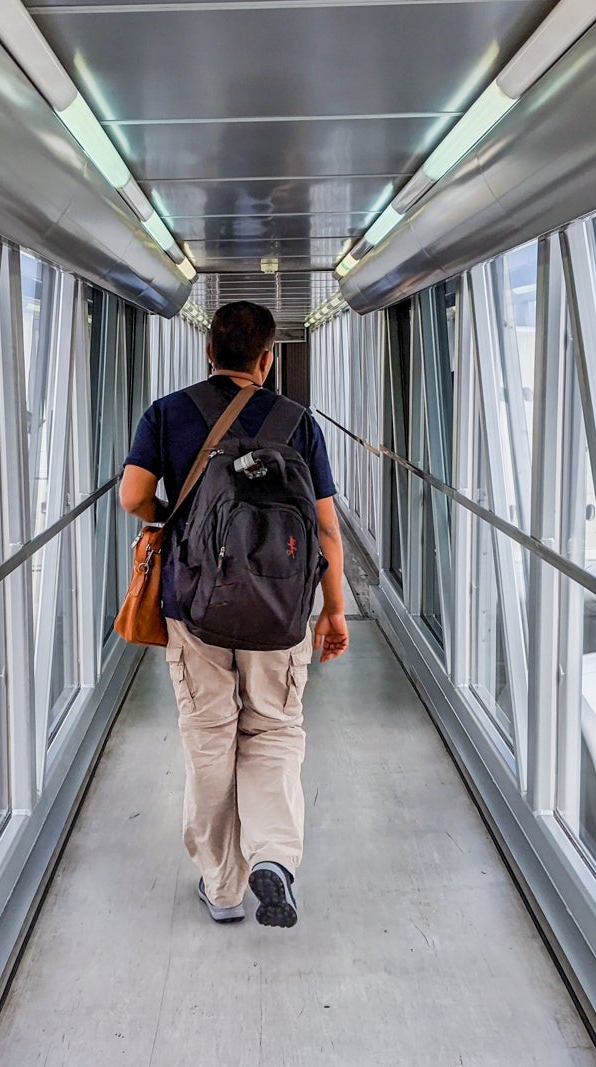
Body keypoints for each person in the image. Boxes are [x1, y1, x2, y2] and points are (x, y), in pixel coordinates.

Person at [119, 300, 349, 929]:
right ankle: (273, 857)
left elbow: (134, 497)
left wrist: (178, 516)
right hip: (281, 611)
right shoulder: (297, 422)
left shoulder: (167, 413)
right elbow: (325, 528)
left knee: (209, 737)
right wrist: (333, 611)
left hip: (196, 609)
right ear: (268, 359)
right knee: (274, 730)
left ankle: (222, 888)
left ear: (209, 352)